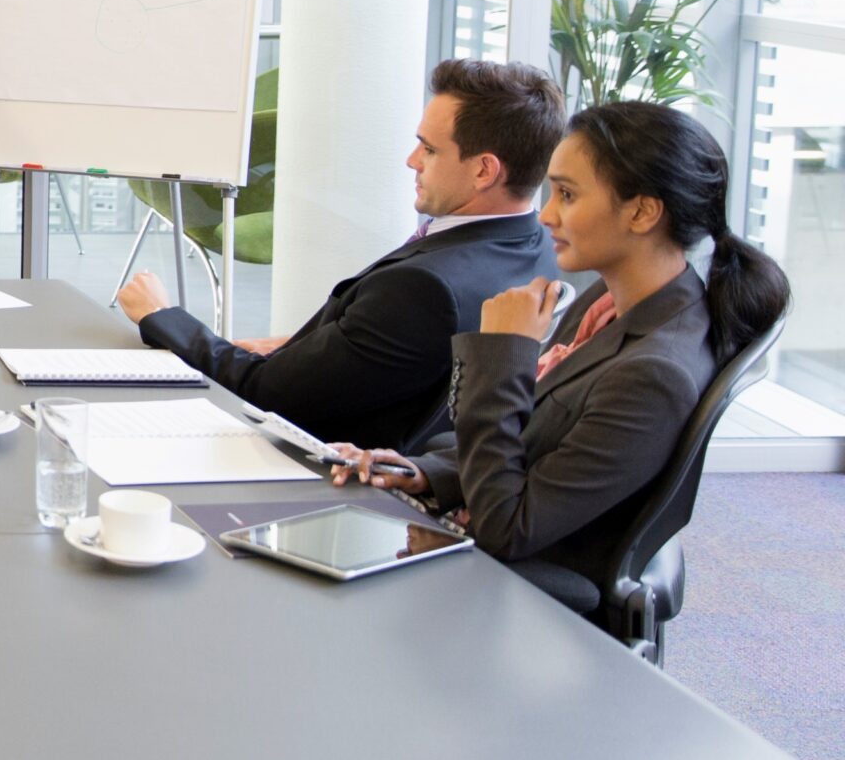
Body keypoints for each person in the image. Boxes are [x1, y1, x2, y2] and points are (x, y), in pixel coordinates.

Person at [332, 101, 787, 592]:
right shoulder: (612, 303)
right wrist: (423, 472)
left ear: (642, 211)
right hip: (474, 533)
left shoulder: (655, 375)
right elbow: (535, 446)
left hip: (516, 587)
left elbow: (507, 528)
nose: (546, 214)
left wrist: (501, 351)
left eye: (567, 194)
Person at [117, 59, 565, 450]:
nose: (412, 160)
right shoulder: (539, 249)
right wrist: (309, 350)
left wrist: (162, 315)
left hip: (313, 463)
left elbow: (265, 392)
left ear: (485, 170)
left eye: (429, 149)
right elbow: (400, 359)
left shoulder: (423, 289)